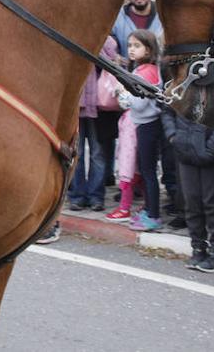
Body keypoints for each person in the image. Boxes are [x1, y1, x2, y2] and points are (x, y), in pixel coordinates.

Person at [161, 102, 214, 273]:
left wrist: (213, 147)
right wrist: (173, 136)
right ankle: (198, 248)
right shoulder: (181, 81)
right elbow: (166, 108)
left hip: (211, 151)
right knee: (191, 202)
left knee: (212, 204)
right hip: (184, 149)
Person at [108, 30, 163, 229]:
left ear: (148, 50)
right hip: (145, 123)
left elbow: (136, 104)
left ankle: (153, 215)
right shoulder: (144, 70)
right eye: (130, 45)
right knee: (146, 169)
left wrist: (121, 93)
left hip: (147, 124)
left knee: (148, 171)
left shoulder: (145, 72)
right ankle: (150, 210)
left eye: (137, 46)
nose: (131, 50)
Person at [69, 37, 117, 213]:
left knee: (98, 154)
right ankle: (77, 196)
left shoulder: (108, 41)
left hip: (100, 107)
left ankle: (96, 196)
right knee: (77, 153)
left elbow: (112, 63)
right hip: (76, 105)